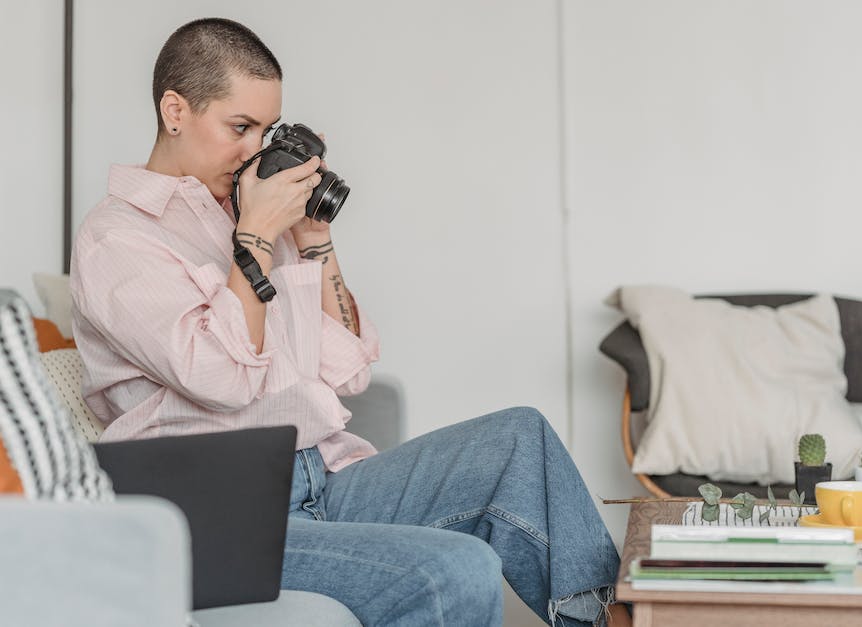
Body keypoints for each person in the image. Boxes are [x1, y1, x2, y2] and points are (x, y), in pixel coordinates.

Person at [70, 17, 620, 626]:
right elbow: (220, 378)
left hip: (318, 479)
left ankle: (613, 621)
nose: (255, 152)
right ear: (175, 111)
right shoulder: (118, 238)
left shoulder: (252, 215)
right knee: (459, 567)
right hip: (216, 519)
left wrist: (314, 239)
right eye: (240, 128)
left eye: (265, 129)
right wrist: (253, 235)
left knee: (520, 439)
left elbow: (347, 368)